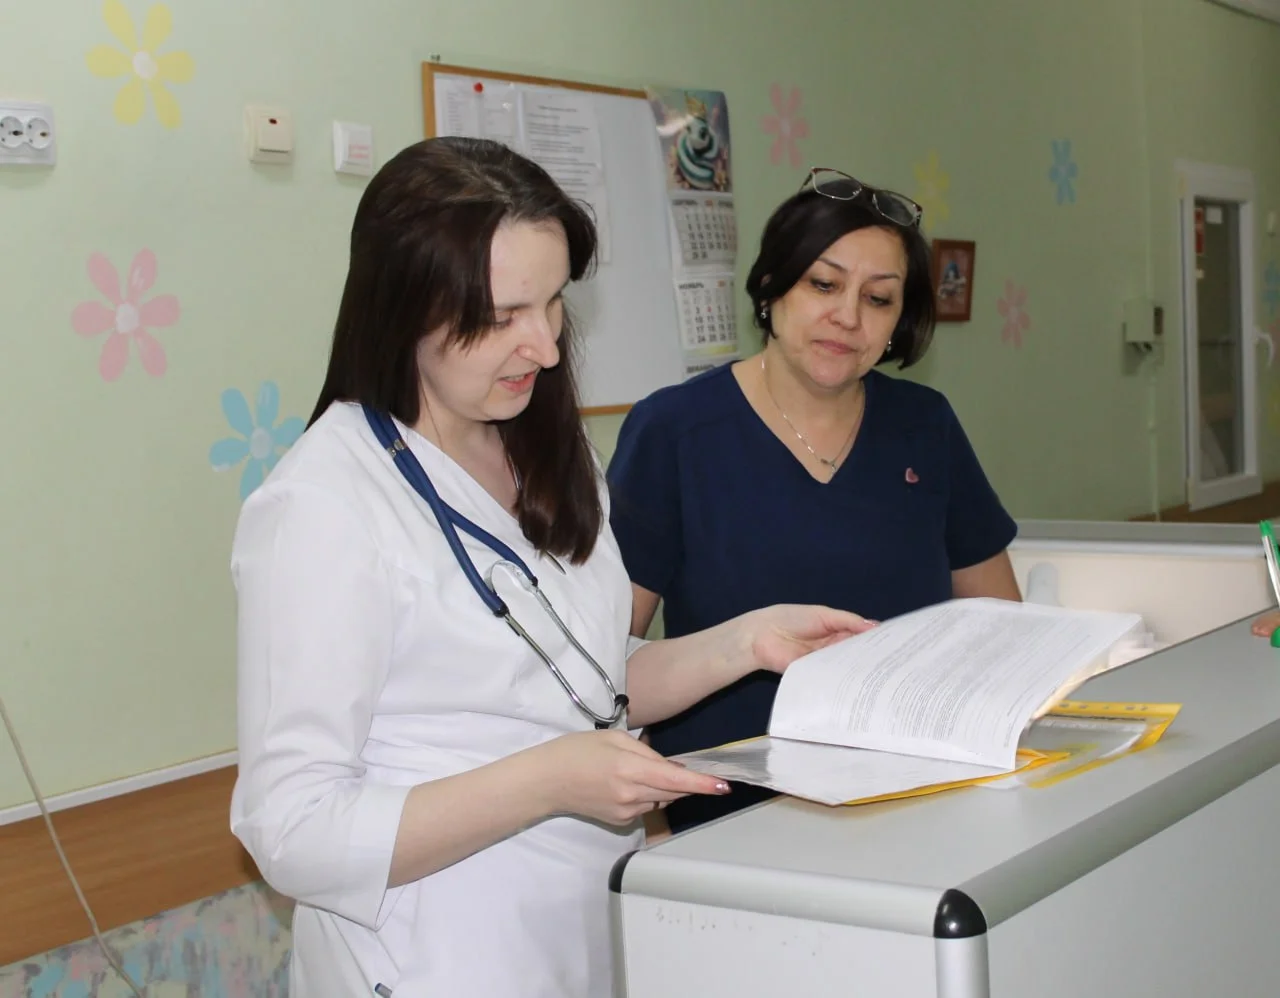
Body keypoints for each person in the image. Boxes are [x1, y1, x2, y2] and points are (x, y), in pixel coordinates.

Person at [227, 138, 872, 998]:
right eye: (503, 317)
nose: (546, 347)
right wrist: (549, 781)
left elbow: (581, 680)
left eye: (555, 303)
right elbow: (290, 829)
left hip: (579, 937)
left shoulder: (543, 450)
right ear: (403, 307)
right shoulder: (323, 507)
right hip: (435, 965)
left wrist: (745, 644)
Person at [607, 167, 1022, 835]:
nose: (848, 317)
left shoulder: (925, 425)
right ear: (772, 286)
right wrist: (647, 822)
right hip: (726, 815)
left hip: (914, 799)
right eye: (823, 285)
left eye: (878, 298)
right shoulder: (675, 431)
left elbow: (1000, 628)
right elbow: (605, 659)